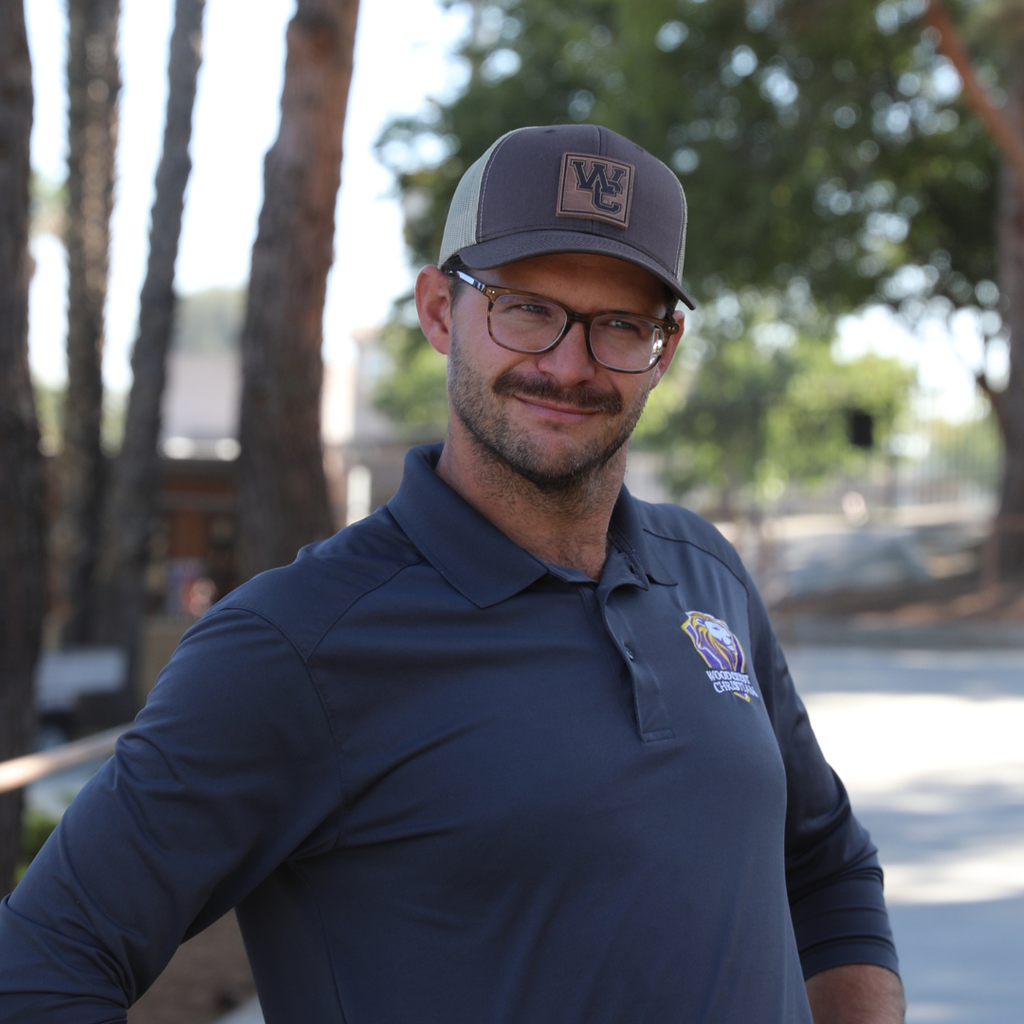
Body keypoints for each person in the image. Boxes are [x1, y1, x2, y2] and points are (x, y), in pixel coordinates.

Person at [0, 124, 903, 1023]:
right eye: (525, 307)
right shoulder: (297, 645)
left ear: (663, 351)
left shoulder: (706, 576)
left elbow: (827, 865)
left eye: (620, 325)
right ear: (440, 310)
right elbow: (42, 964)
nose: (568, 363)